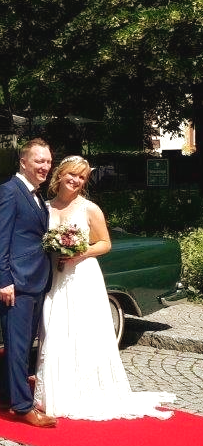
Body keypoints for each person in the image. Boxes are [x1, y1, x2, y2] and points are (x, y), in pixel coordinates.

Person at [34, 155, 176, 419]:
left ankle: (85, 391)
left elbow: (105, 243)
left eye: (81, 177)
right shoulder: (45, 207)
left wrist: (80, 252)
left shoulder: (89, 209)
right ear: (60, 174)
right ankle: (54, 392)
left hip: (83, 276)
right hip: (55, 277)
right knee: (55, 330)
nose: (75, 181)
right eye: (71, 174)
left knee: (84, 332)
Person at [0, 138, 57, 427]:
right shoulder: (9, 192)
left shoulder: (35, 195)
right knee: (17, 347)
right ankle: (22, 406)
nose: (45, 166)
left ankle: (7, 393)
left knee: (23, 344)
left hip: (36, 280)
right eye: (39, 161)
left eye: (48, 162)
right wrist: (4, 280)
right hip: (16, 283)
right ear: (24, 162)